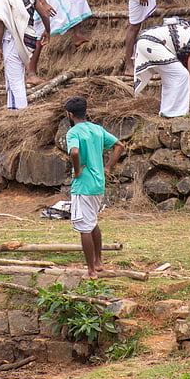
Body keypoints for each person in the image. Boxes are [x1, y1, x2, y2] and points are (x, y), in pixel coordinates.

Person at [63, 96, 125, 278]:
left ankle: (90, 270)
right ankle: (98, 261)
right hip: (98, 183)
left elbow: (74, 152)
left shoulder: (73, 132)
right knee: (92, 221)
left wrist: (76, 170)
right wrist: (108, 167)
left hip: (83, 184)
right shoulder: (97, 129)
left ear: (70, 114)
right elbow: (119, 145)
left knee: (84, 227)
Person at [133, 19, 190, 117]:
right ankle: (175, 112)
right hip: (151, 43)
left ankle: (167, 111)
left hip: (146, 41)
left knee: (172, 76)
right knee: (182, 74)